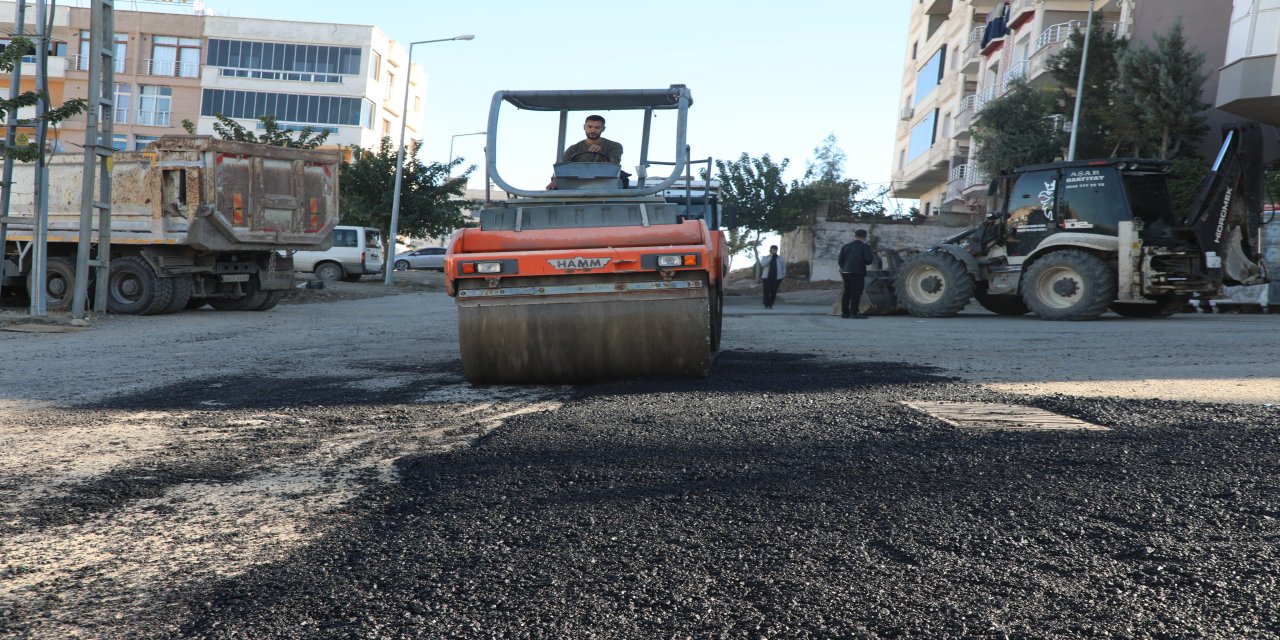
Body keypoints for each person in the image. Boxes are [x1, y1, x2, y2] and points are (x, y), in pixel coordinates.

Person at [546, 115, 623, 189]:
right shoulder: (573, 149)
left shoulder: (615, 146)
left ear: (603, 129)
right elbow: (561, 168)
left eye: (597, 127)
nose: (593, 130)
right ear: (584, 127)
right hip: (575, 186)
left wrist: (601, 152)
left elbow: (614, 167)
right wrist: (555, 181)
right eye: (589, 127)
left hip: (606, 185)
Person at [838, 229, 875, 319]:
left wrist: (845, 268)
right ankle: (854, 312)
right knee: (856, 292)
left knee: (847, 292)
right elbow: (868, 260)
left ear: (855, 235)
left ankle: (845, 313)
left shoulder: (846, 246)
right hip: (857, 272)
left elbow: (840, 261)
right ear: (865, 237)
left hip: (845, 272)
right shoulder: (864, 247)